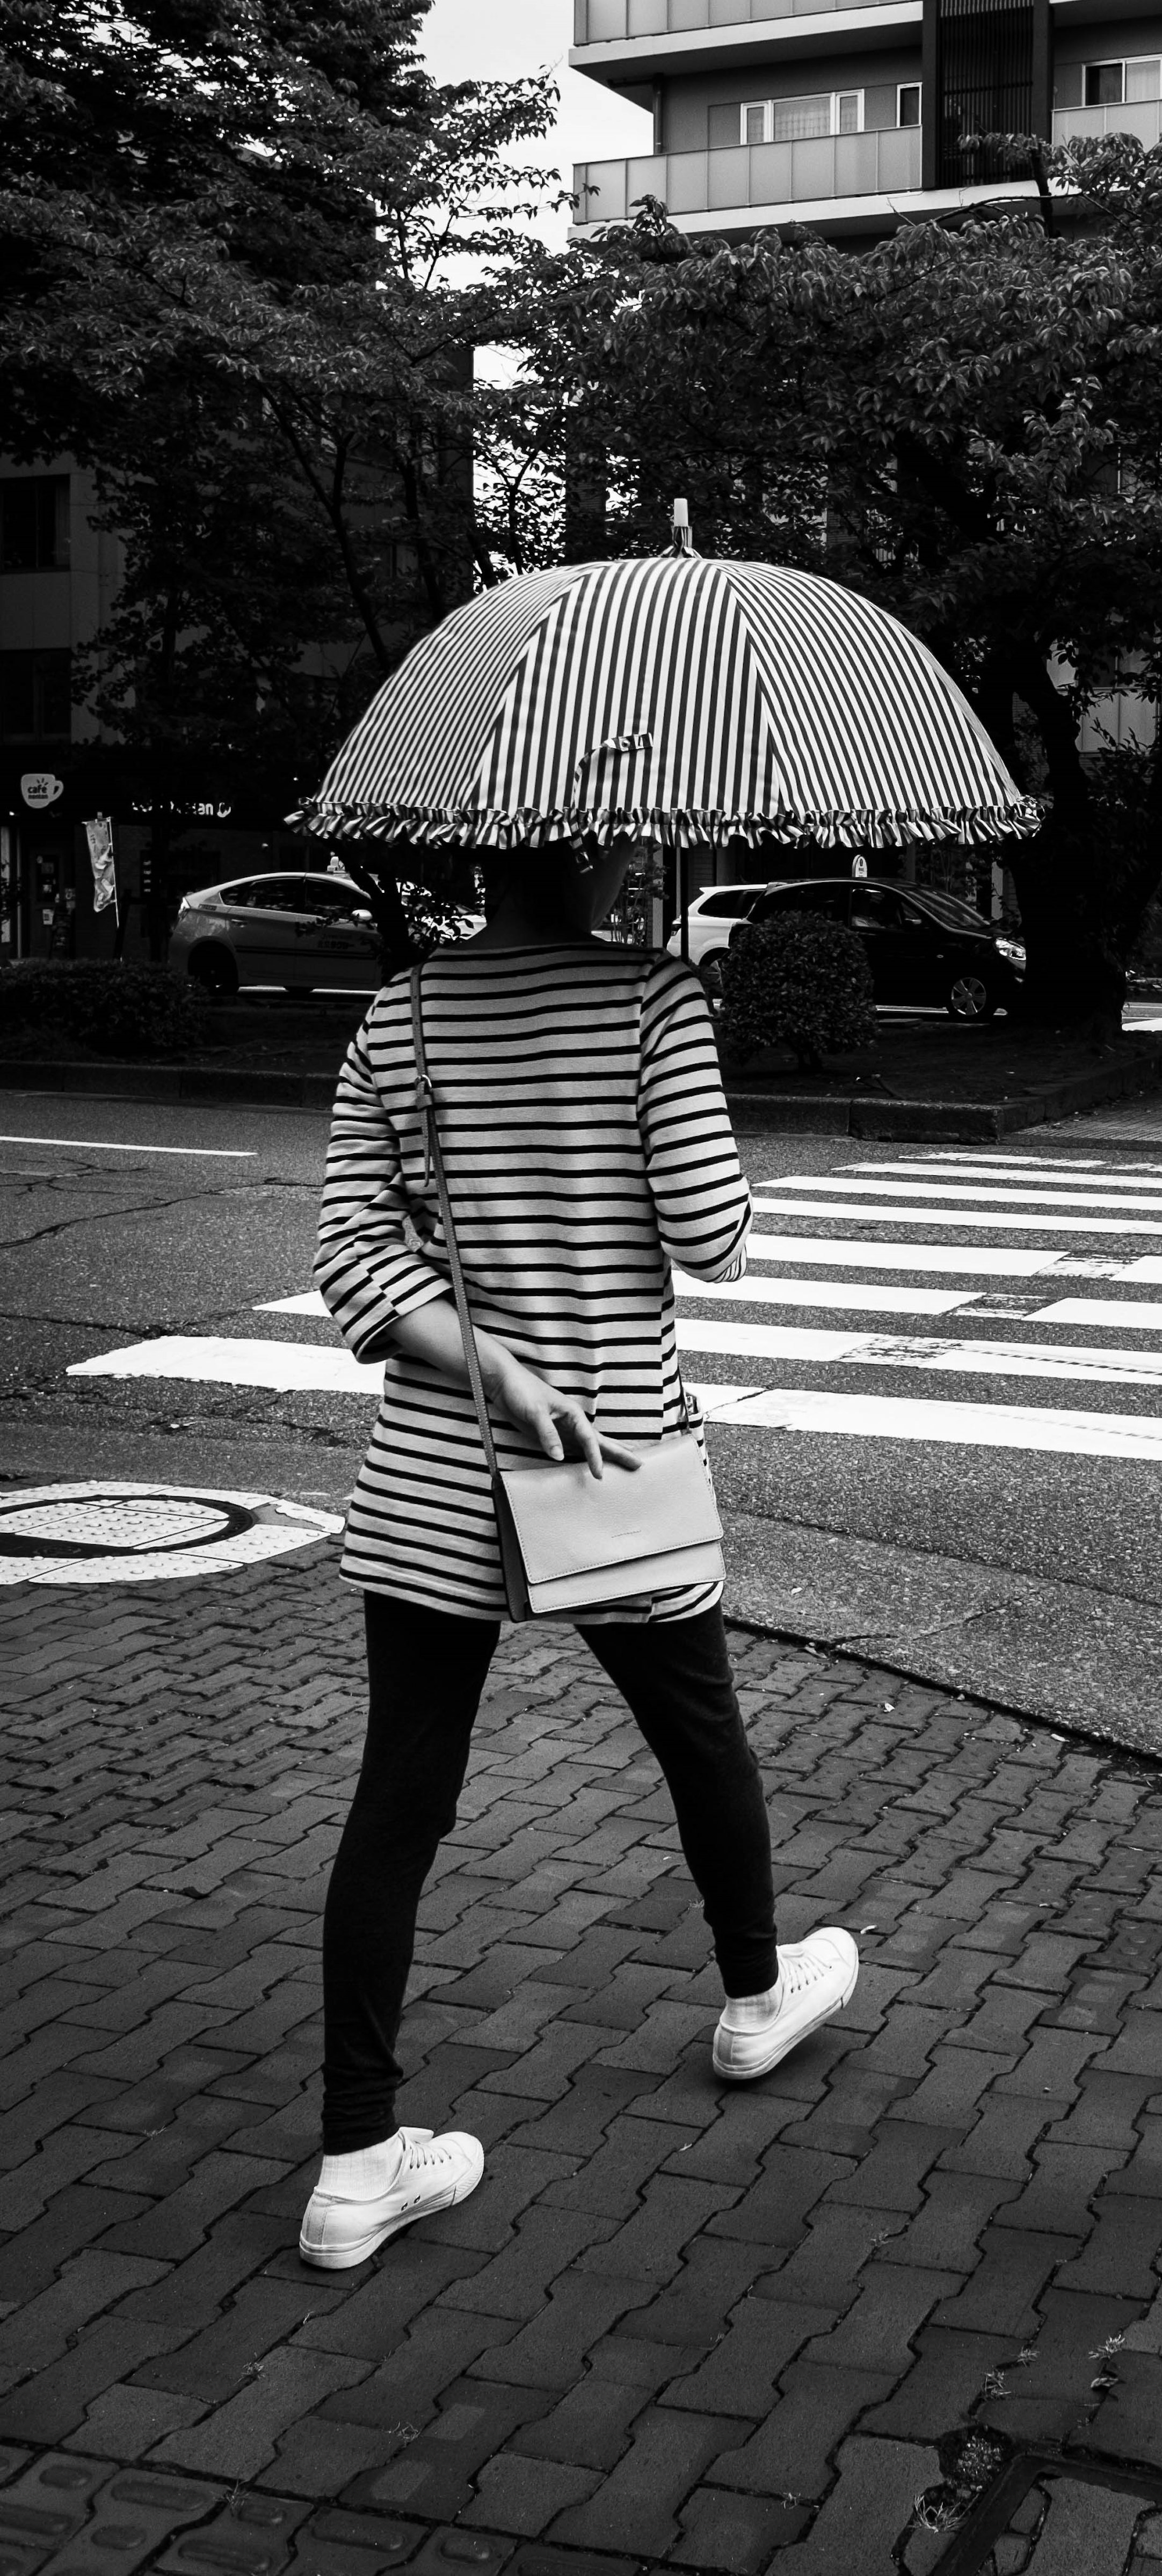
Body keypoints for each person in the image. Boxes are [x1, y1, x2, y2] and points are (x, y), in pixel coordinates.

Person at [297, 839, 856, 2273]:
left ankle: (358, 2160)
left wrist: (488, 1361)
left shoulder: (402, 1014)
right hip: (610, 1461)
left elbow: (355, 1253)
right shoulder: (656, 1003)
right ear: (607, 843)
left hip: (437, 1471)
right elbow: (714, 1237)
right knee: (697, 1736)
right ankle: (752, 1996)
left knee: (401, 1795)